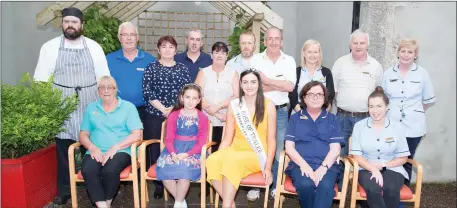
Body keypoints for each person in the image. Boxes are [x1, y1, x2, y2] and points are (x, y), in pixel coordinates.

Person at [33, 7, 110, 205]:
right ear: (62, 24)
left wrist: (104, 105)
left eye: (74, 22)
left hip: (90, 103)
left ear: (81, 25)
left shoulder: (94, 47)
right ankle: (65, 191)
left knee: (93, 148)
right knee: (63, 151)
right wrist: (47, 108)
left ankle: (95, 188)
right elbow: (42, 80)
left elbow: (103, 78)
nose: (70, 25)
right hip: (62, 105)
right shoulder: (49, 47)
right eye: (67, 21)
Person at [206, 69, 277, 208]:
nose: (249, 86)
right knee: (212, 160)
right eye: (245, 82)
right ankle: (230, 204)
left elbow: (272, 140)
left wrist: (268, 166)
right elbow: (227, 139)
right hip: (236, 149)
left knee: (231, 162)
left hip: (257, 153)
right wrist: (220, 154)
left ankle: (226, 205)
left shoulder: (269, 106)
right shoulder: (234, 106)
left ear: (259, 84)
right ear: (240, 84)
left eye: (253, 82)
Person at [79, 75, 143, 208]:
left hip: (121, 150)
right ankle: (103, 205)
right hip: (96, 149)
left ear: (116, 90)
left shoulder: (128, 107)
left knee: (109, 170)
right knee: (88, 169)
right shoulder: (91, 108)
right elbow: (83, 134)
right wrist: (91, 147)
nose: (106, 90)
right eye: (102, 87)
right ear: (98, 91)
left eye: (110, 87)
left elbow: (138, 134)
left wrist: (116, 147)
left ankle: (105, 202)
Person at [142, 35, 192, 199]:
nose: (167, 50)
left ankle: (177, 178)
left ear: (176, 50)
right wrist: (163, 108)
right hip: (154, 115)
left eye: (171, 47)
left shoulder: (183, 69)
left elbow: (187, 93)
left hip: (177, 115)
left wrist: (172, 109)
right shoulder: (150, 67)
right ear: (158, 50)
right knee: (156, 148)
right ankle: (159, 184)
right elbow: (147, 91)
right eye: (164, 47)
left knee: (175, 147)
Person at [381, 39, 435, 188]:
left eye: (410, 52)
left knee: (407, 159)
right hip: (391, 124)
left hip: (413, 126)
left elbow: (428, 100)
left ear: (415, 55)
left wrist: (413, 112)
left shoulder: (422, 74)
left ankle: (401, 196)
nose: (406, 55)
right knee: (390, 158)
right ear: (398, 53)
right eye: (403, 51)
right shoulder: (388, 73)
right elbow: (382, 99)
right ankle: (386, 192)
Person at [250, 26, 296, 199]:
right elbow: (253, 86)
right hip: (259, 111)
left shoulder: (289, 60)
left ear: (281, 41)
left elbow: (290, 86)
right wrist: (278, 83)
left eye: (277, 38)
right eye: (270, 38)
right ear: (264, 41)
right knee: (259, 146)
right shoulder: (256, 60)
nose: (274, 42)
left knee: (278, 150)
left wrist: (267, 81)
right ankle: (257, 184)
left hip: (282, 112)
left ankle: (275, 185)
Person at [284, 81, 344, 208]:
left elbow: (335, 149)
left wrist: (323, 168)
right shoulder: (295, 118)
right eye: (311, 94)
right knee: (306, 184)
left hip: (327, 165)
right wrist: (304, 166)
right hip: (300, 165)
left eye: (319, 94)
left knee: (326, 186)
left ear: (324, 98)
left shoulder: (332, 119)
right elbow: (289, 147)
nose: (315, 97)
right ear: (304, 98)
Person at [349, 86, 411, 208]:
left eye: (379, 106)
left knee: (391, 188)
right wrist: (373, 168)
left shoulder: (397, 127)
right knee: (373, 188)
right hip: (365, 168)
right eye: (371, 107)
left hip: (393, 168)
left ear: (387, 107)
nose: (375, 111)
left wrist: (382, 165)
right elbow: (356, 155)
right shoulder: (359, 126)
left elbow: (403, 158)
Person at [155, 84, 209, 208]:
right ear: (182, 98)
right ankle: (180, 201)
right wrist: (173, 153)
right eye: (188, 97)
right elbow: (168, 139)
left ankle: (178, 204)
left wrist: (187, 154)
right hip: (173, 148)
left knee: (184, 171)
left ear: (199, 100)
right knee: (164, 170)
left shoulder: (203, 117)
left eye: (194, 98)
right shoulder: (174, 115)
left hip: (194, 150)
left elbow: (201, 142)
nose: (190, 101)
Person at [332, 28, 384, 157]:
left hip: (366, 118)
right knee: (339, 155)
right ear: (350, 45)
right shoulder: (340, 63)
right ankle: (341, 178)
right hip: (342, 118)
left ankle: (359, 178)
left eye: (362, 43)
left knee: (363, 155)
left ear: (368, 45)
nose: (358, 46)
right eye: (355, 43)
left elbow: (379, 93)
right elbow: (333, 91)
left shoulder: (376, 66)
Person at [106, 22, 156, 127]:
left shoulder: (150, 60)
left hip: (144, 113)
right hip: (117, 112)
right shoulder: (108, 60)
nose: (129, 38)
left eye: (132, 35)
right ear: (119, 38)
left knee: (143, 142)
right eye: (125, 35)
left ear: (137, 37)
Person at [194, 41, 239, 153]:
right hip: (206, 120)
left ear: (227, 56)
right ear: (211, 55)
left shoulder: (233, 73)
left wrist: (219, 106)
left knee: (223, 152)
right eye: (216, 52)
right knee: (205, 151)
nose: (219, 55)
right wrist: (215, 112)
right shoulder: (203, 72)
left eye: (223, 53)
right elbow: (196, 95)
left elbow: (237, 95)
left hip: (226, 120)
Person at [289, 39, 335, 117]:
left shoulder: (326, 72)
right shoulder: (296, 72)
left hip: (321, 117)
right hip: (299, 115)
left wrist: (320, 116)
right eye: (309, 52)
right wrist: (303, 114)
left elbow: (330, 96)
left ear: (319, 54)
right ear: (303, 53)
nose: (312, 55)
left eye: (315, 52)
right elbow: (292, 96)